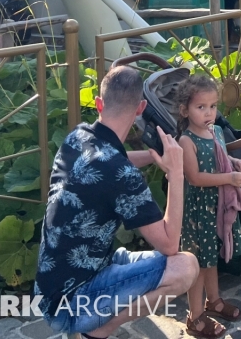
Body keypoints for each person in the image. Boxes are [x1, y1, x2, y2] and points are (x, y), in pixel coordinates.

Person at [34, 66, 197, 339]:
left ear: (99, 103)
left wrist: (153, 155)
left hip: (50, 290)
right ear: (140, 108)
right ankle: (98, 331)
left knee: (155, 262)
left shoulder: (77, 137)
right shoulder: (122, 175)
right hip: (73, 304)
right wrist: (176, 173)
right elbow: (169, 244)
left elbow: (112, 162)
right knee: (184, 266)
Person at [176, 75, 241, 338]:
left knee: (211, 261)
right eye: (201, 107)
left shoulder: (216, 131)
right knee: (197, 265)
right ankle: (195, 317)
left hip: (216, 207)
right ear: (185, 110)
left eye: (213, 106)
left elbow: (220, 156)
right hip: (198, 212)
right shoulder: (186, 141)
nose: (209, 112)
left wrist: (234, 163)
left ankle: (214, 301)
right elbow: (195, 177)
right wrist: (229, 178)